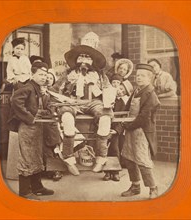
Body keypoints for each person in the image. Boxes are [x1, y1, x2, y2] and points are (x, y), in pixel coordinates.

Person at [55, 32, 114, 174]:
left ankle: (101, 158)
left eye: (88, 57)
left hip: (94, 102)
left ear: (93, 61)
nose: (84, 60)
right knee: (67, 120)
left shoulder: (100, 75)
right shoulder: (68, 74)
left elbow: (108, 89)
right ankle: (69, 159)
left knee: (105, 119)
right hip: (73, 102)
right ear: (76, 59)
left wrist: (110, 96)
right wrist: (61, 96)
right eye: (81, 56)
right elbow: (55, 89)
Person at [9, 61, 55, 200]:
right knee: (27, 158)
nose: (44, 77)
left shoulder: (39, 89)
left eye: (45, 75)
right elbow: (15, 101)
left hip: (37, 128)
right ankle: (24, 192)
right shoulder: (27, 87)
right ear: (32, 74)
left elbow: (38, 107)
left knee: (36, 157)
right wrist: (29, 117)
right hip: (28, 128)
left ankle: (37, 187)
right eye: (40, 74)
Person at [120, 63, 160, 199]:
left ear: (149, 78)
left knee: (142, 160)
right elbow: (127, 108)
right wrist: (119, 118)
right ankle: (135, 186)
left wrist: (127, 125)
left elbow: (144, 117)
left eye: (142, 76)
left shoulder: (151, 95)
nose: (139, 78)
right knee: (129, 158)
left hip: (141, 131)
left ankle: (153, 188)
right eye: (137, 75)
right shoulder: (136, 91)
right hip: (131, 129)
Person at [103, 78, 133, 181]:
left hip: (115, 130)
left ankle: (115, 171)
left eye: (122, 91)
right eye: (119, 88)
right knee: (104, 149)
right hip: (105, 127)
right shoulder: (107, 98)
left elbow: (123, 119)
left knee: (115, 149)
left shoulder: (122, 103)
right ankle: (107, 172)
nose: (119, 91)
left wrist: (116, 130)